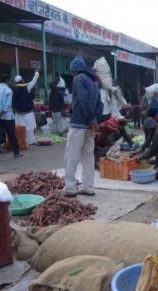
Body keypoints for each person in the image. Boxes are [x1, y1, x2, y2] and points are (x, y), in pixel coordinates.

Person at [64, 56, 102, 198]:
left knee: (71, 156)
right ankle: (88, 187)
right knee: (88, 156)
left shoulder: (79, 79)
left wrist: (91, 118)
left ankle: (70, 188)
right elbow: (100, 104)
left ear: (74, 70)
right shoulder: (94, 81)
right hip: (90, 126)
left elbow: (83, 99)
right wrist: (95, 119)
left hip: (79, 123)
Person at [0, 74, 21, 162]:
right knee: (11, 134)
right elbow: (7, 105)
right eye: (10, 80)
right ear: (7, 80)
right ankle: (16, 153)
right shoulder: (8, 90)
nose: (10, 82)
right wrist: (1, 112)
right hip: (8, 117)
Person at [12, 71, 39, 145]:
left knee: (19, 128)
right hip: (28, 112)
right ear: (22, 80)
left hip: (18, 113)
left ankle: (21, 142)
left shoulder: (14, 89)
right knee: (29, 128)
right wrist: (36, 73)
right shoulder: (27, 87)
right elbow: (34, 81)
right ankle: (30, 141)